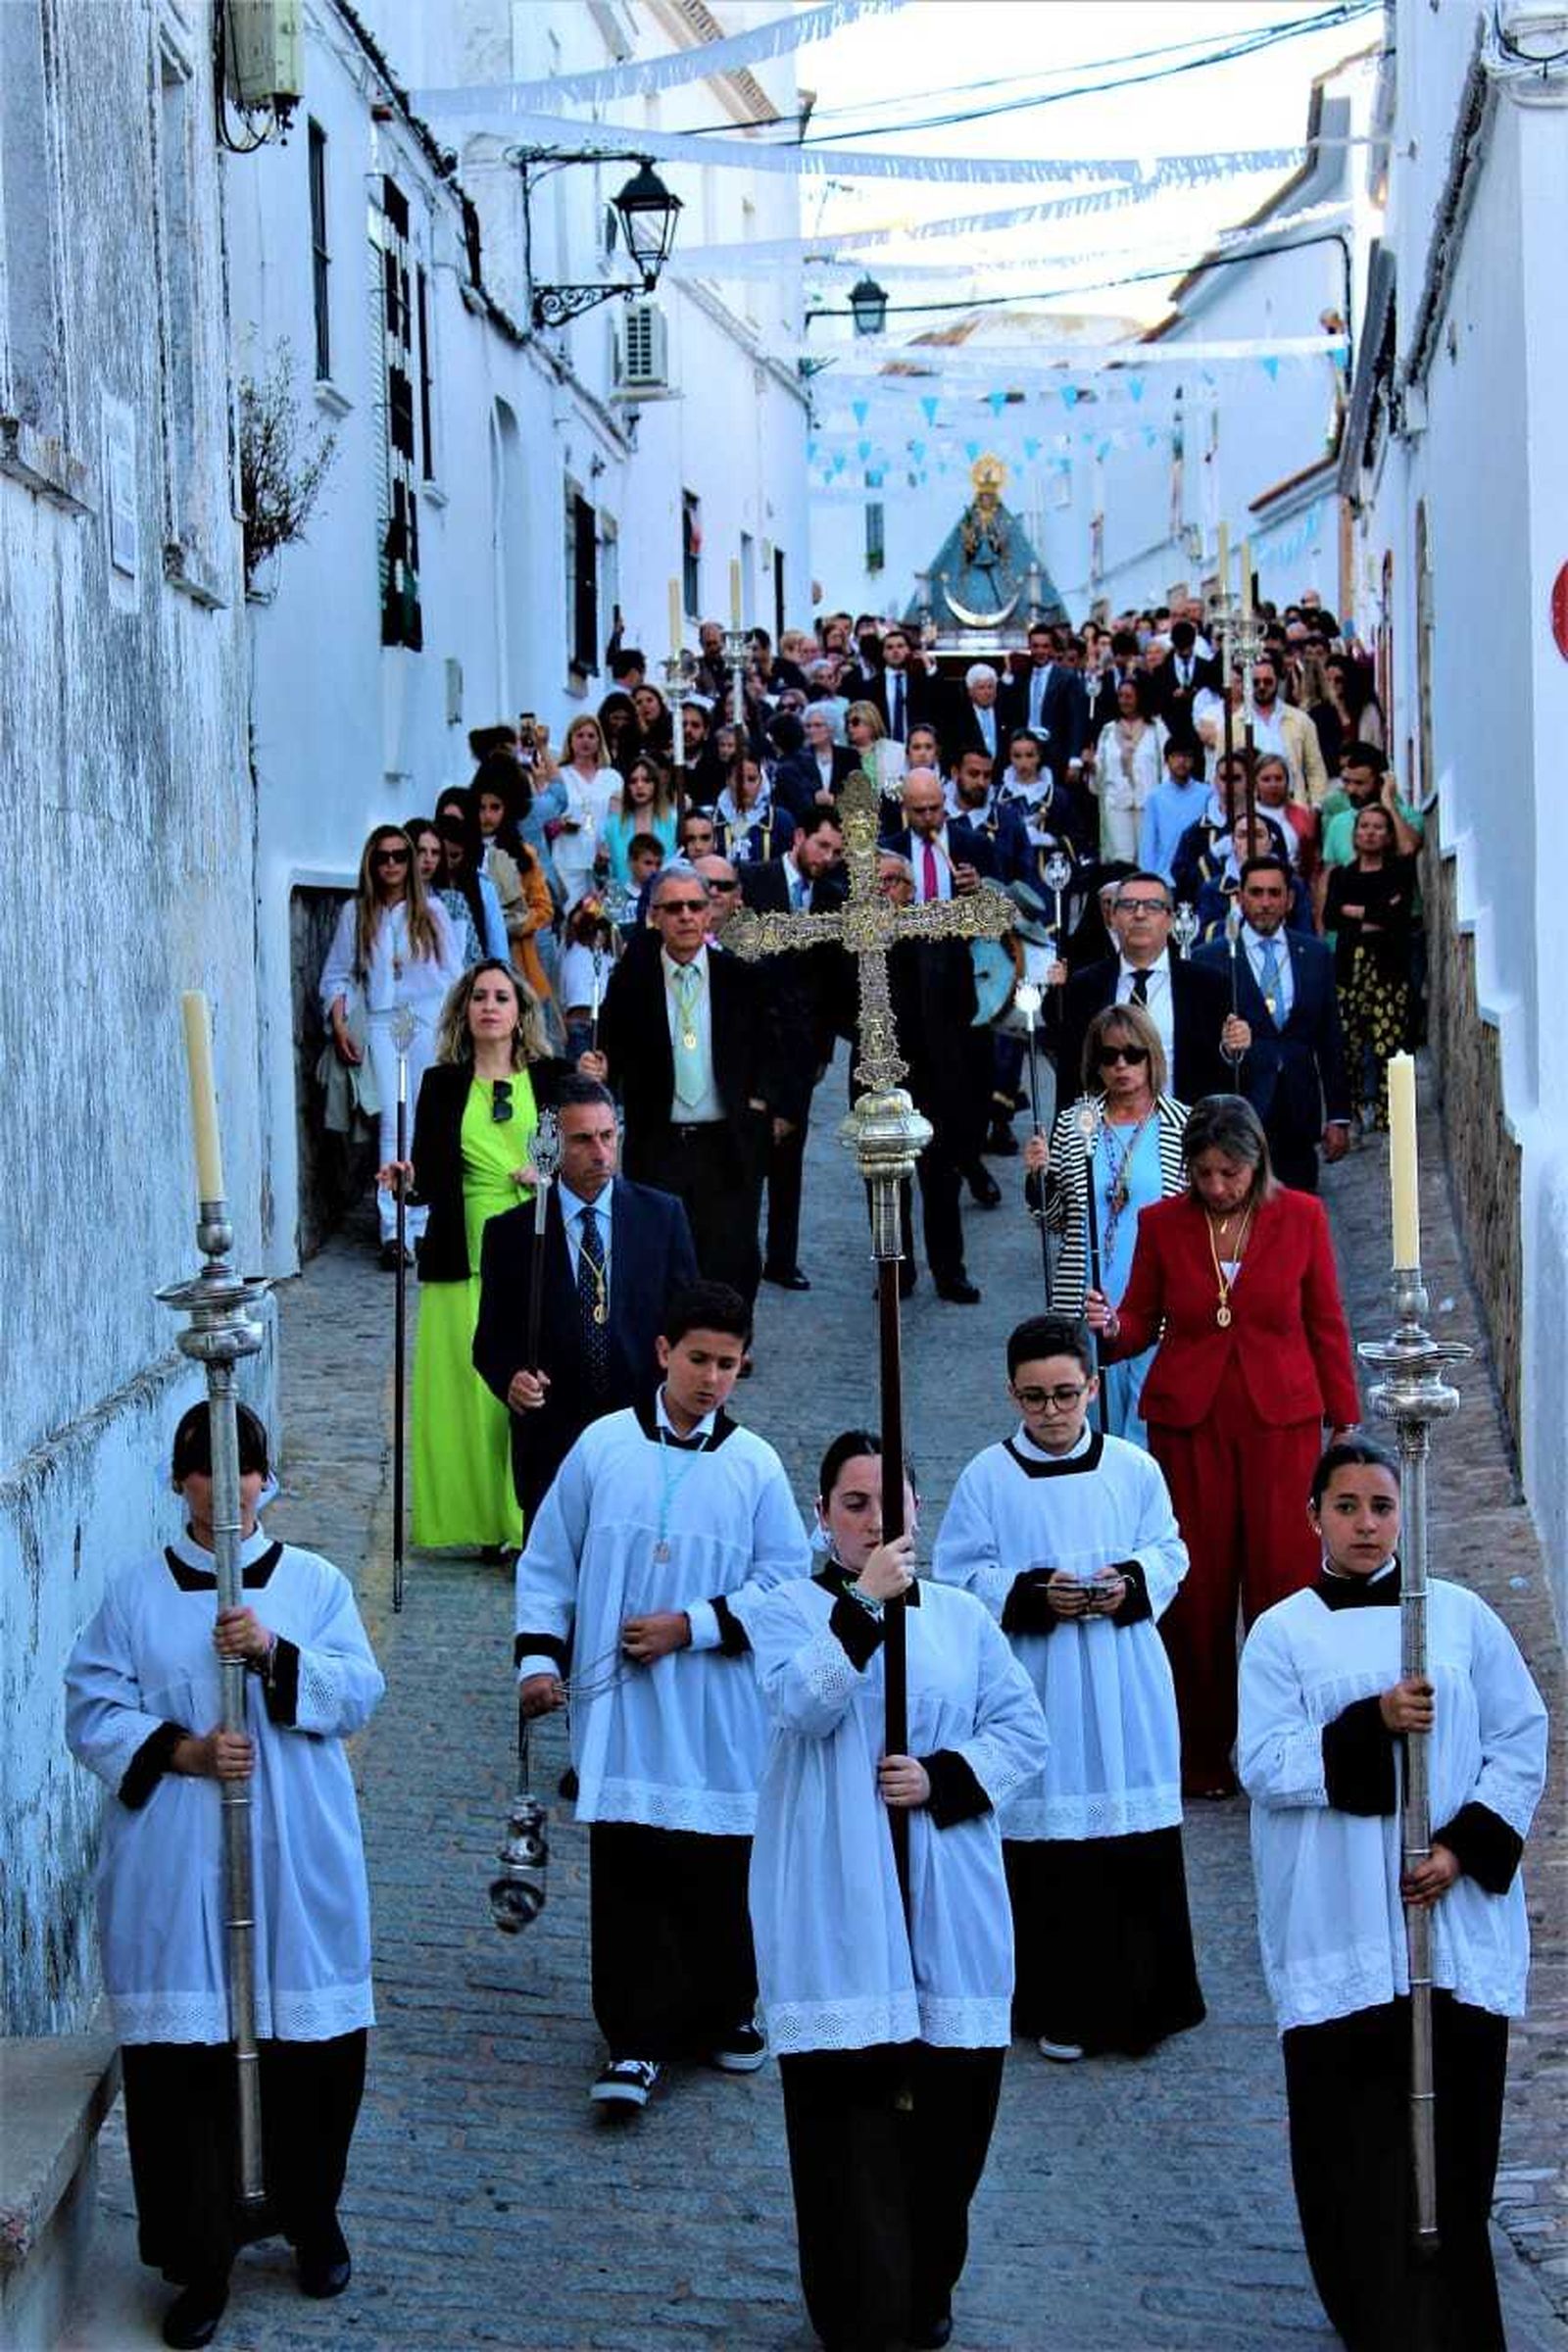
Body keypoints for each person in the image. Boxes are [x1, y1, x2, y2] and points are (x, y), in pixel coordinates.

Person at [65, 1403, 383, 2352]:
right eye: (207, 1472)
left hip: (295, 1854)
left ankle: (310, 2213)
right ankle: (201, 2258)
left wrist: (274, 1655)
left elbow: (359, 1686)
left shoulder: (314, 1585)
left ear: (266, 1480)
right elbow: (90, 1706)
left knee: (312, 2050)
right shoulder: (135, 1599)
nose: (228, 1489)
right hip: (178, 1862)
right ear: (181, 1485)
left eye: (244, 1470)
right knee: (186, 2069)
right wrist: (185, 1750)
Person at [1239, 1435, 1547, 2352]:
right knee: (1353, 2152)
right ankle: (1372, 2312)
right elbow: (1261, 1761)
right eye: (1347, 1506)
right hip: (1339, 1928)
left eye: (1381, 1506)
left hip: (1448, 1928)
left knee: (1455, 2149)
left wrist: (1460, 1850)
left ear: (1402, 1515)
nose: (1367, 1524)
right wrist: (1370, 1723)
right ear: (1314, 1518)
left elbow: (1520, 1737)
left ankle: (1456, 2316)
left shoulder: (1455, 1618)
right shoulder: (1282, 1632)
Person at [748, 1430, 1048, 2352]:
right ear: (824, 1517)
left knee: (951, 2122)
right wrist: (863, 1610)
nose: (878, 1521)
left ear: (922, 1510)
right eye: (855, 1505)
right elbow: (800, 1704)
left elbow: (1022, 1732)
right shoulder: (789, 1609)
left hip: (946, 1889)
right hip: (837, 1892)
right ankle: (856, 2310)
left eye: (894, 1503)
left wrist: (944, 1778)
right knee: (847, 2134)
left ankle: (925, 2281)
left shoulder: (962, 1618)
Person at [514, 1281, 811, 2109]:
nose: (712, 1378)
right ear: (662, 1353)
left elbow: (785, 1585)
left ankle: (724, 2013)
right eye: (698, 1360)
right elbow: (549, 1562)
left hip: (716, 1709)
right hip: (624, 1708)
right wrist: (538, 1663)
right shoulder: (603, 1446)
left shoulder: (755, 1466)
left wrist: (696, 1624)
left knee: (716, 1868)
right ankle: (634, 2039)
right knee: (633, 1869)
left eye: (728, 1364)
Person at [932, 1319, 1203, 2065]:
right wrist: (1030, 1592)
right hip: (1039, 1680)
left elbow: (1170, 1549)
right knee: (1052, 1849)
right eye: (1033, 1398)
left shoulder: (1131, 1468)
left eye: (1064, 1395)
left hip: (1123, 1676)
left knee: (1130, 1837)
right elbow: (957, 1576)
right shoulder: (988, 1477)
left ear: (1092, 1386)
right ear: (1010, 1393)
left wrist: (1132, 1582)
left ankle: (1141, 2005)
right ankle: (1061, 2006)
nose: (1050, 1413)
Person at [1085, 1096, 1360, 1797]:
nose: (1217, 1188)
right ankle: (1201, 1753)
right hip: (1191, 1424)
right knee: (1198, 1591)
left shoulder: (1300, 1217)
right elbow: (1144, 1318)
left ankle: (1282, 1747)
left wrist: (1344, 1420)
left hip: (1282, 1423)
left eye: (1230, 1174)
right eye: (1204, 1173)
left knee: (1282, 1582)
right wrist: (1113, 1326)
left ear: (1257, 1163)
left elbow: (1325, 1320)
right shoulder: (1163, 1224)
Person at [389, 962, 568, 1555]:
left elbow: (576, 1157)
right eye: (479, 997)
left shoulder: (550, 1079)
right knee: (469, 1397)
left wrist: (544, 1172)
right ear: (464, 1012)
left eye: (501, 997)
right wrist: (404, 1178)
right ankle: (484, 1524)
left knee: (525, 1387)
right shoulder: (442, 1084)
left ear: (520, 1012)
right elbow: (427, 1176)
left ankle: (526, 1523)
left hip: (533, 1251)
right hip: (459, 1255)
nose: (490, 1006)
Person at [580, 864, 805, 1318]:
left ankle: (731, 1339)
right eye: (674, 908)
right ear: (655, 917)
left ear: (709, 915)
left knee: (733, 1249)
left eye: (695, 906)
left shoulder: (740, 977)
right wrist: (599, 1066)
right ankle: (672, 1343)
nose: (686, 916)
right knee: (662, 1248)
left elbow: (776, 1044)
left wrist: (764, 1104)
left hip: (727, 1137)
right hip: (660, 1138)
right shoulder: (632, 980)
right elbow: (612, 1051)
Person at [473, 1077, 698, 1526]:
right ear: (554, 1145)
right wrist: (512, 1379)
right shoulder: (512, 1233)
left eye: (607, 1136)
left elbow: (690, 1319)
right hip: (553, 1439)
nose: (600, 1152)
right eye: (582, 1140)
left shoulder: (661, 1217)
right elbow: (490, 1342)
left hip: (642, 1429)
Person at [1023, 1004, 1188, 1446]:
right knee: (1090, 1433)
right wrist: (1037, 1179)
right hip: (1086, 1302)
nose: (1121, 1066)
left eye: (1132, 1054)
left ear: (1152, 1057)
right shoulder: (1074, 1124)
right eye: (1108, 1055)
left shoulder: (1183, 1125)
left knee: (1150, 1431)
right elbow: (1055, 1219)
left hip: (1158, 1308)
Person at [319, 824, 463, 1267]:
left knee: (423, 1119)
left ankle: (419, 1221)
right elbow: (337, 973)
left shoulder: (432, 912)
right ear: (371, 862)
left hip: (425, 1019)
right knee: (393, 1121)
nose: (392, 865)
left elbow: (454, 973)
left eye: (400, 856)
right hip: (382, 1021)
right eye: (383, 857)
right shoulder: (356, 913)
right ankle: (393, 1228)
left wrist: (452, 1029)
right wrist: (340, 1021)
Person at [1196, 856, 1350, 1192]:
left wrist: (1338, 1115)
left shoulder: (1315, 954)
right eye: (1256, 893)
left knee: (1296, 1224)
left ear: (1289, 899)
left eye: (1274, 893)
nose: (1265, 903)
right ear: (1241, 898)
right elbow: (1201, 1045)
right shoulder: (1211, 958)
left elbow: (1329, 1038)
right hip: (1239, 1115)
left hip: (1299, 1113)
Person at [1057, 871, 1232, 1106]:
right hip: (1106, 1132)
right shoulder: (1084, 986)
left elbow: (1224, 1075)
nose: (1139, 914)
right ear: (1112, 917)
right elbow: (1070, 1076)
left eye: (1152, 906)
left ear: (1170, 920)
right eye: (1128, 906)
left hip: (1187, 1131)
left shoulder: (1208, 986)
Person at [1324, 806, 1418, 1130]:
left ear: (1389, 834)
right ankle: (1348, 1116)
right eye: (1364, 826)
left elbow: (1398, 916)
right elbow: (1331, 916)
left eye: (1378, 827)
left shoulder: (1399, 872)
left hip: (1388, 971)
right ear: (1355, 833)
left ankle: (1388, 1116)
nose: (1370, 832)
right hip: (1350, 970)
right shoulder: (1342, 875)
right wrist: (1374, 913)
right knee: (1348, 1043)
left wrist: (1355, 912)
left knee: (1388, 1045)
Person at [883, 766, 998, 903]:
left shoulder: (977, 845)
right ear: (904, 807)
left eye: (934, 808)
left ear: (944, 801)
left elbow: (1000, 901)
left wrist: (981, 888)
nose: (928, 817)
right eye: (919, 811)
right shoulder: (887, 852)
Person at [1090, 673, 1166, 861]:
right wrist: (1091, 766)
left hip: (1147, 803)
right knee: (1122, 858)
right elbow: (1100, 769)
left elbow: (1165, 765)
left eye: (1129, 696)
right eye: (1120, 696)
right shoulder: (1108, 731)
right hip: (1117, 803)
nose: (1124, 701)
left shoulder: (1156, 729)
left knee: (1147, 855)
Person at [554, 713, 622, 910]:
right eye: (580, 735)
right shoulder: (561, 775)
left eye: (591, 736)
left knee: (605, 917)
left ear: (599, 741)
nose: (586, 741)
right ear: (570, 740)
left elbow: (618, 817)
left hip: (605, 859)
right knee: (572, 917)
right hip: (569, 858)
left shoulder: (611, 777)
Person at [434, 802, 511, 966]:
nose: (446, 863)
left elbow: (497, 946)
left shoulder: (482, 886)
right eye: (439, 854)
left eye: (454, 856)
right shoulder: (425, 888)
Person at [1137, 734, 1208, 886]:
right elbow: (1148, 844)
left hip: (1198, 878)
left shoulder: (1207, 794)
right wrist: (1149, 879)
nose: (1181, 762)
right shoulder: (1155, 797)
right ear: (1167, 760)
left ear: (1194, 760)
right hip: (1165, 880)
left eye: (1187, 756)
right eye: (1176, 756)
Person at [603, 755, 677, 887]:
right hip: (625, 901)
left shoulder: (673, 821)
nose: (639, 785)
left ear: (656, 785)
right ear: (627, 787)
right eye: (633, 781)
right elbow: (607, 876)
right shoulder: (611, 826)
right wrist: (600, 866)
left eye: (646, 780)